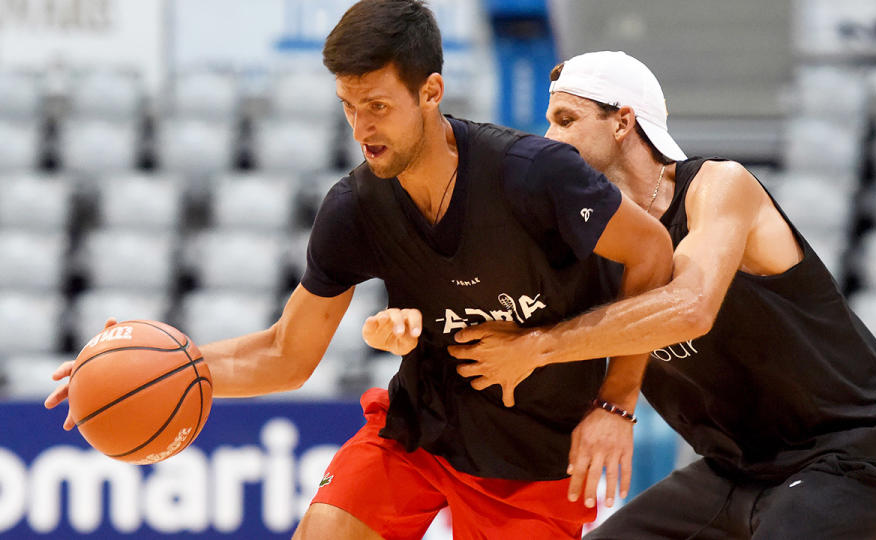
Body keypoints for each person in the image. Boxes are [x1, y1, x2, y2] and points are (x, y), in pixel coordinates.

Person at [45, 7, 674, 540]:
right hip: (418, 433)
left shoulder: (534, 175)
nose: (360, 128)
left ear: (431, 92)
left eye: (377, 105)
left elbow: (653, 256)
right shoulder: (355, 207)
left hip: (538, 458)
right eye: (348, 106)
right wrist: (152, 370)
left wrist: (614, 405)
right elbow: (287, 353)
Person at [446, 51, 876, 539]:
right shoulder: (591, 241)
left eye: (566, 120)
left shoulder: (718, 187)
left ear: (622, 122)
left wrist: (538, 348)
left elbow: (689, 310)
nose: (550, 138)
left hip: (850, 459)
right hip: (737, 470)